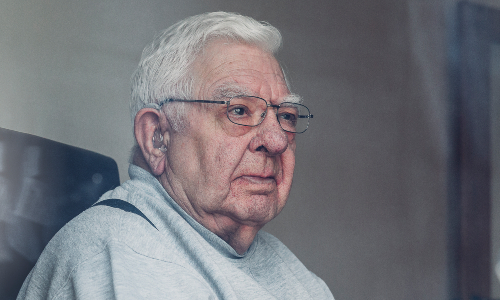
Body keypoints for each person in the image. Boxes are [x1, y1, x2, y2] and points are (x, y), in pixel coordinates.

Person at [17, 12, 334, 299]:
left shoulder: (295, 276)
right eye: (239, 110)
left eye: (287, 116)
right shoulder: (122, 255)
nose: (277, 140)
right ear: (157, 138)